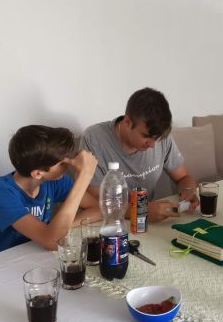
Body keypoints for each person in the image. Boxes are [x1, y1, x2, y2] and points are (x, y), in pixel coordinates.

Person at [0, 125, 101, 267]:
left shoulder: (56, 181)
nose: (69, 164)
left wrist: (60, 228)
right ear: (37, 173)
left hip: (30, 259)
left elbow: (98, 210)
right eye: (62, 163)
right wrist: (84, 176)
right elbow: (53, 242)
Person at [81, 87, 199, 222]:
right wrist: (140, 211)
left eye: (157, 138)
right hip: (108, 224)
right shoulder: (94, 139)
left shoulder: (161, 138)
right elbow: (95, 201)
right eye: (146, 136)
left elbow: (183, 177)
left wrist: (188, 190)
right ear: (127, 122)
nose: (153, 145)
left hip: (145, 224)